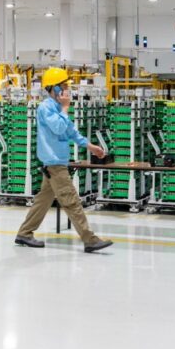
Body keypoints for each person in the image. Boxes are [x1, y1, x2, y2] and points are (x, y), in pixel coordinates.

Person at [14, 67, 114, 253]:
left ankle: (24, 233)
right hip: (54, 164)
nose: (67, 88)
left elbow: (70, 132)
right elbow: (59, 128)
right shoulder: (46, 108)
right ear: (54, 89)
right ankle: (89, 239)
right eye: (64, 85)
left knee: (42, 201)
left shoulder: (58, 108)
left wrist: (90, 146)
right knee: (71, 201)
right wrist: (66, 107)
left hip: (57, 162)